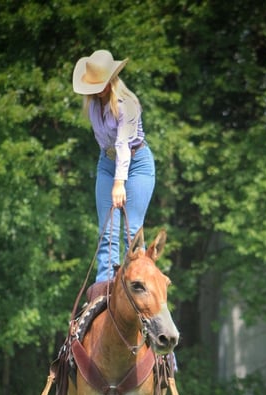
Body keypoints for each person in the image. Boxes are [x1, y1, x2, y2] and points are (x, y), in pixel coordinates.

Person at [72, 49, 155, 300]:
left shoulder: (127, 104)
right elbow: (107, 147)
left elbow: (122, 145)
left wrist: (120, 183)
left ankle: (137, 287)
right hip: (107, 164)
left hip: (137, 164)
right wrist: (113, 177)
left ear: (112, 79)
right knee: (107, 232)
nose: (98, 90)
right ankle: (105, 292)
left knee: (132, 233)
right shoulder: (94, 106)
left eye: (102, 84)